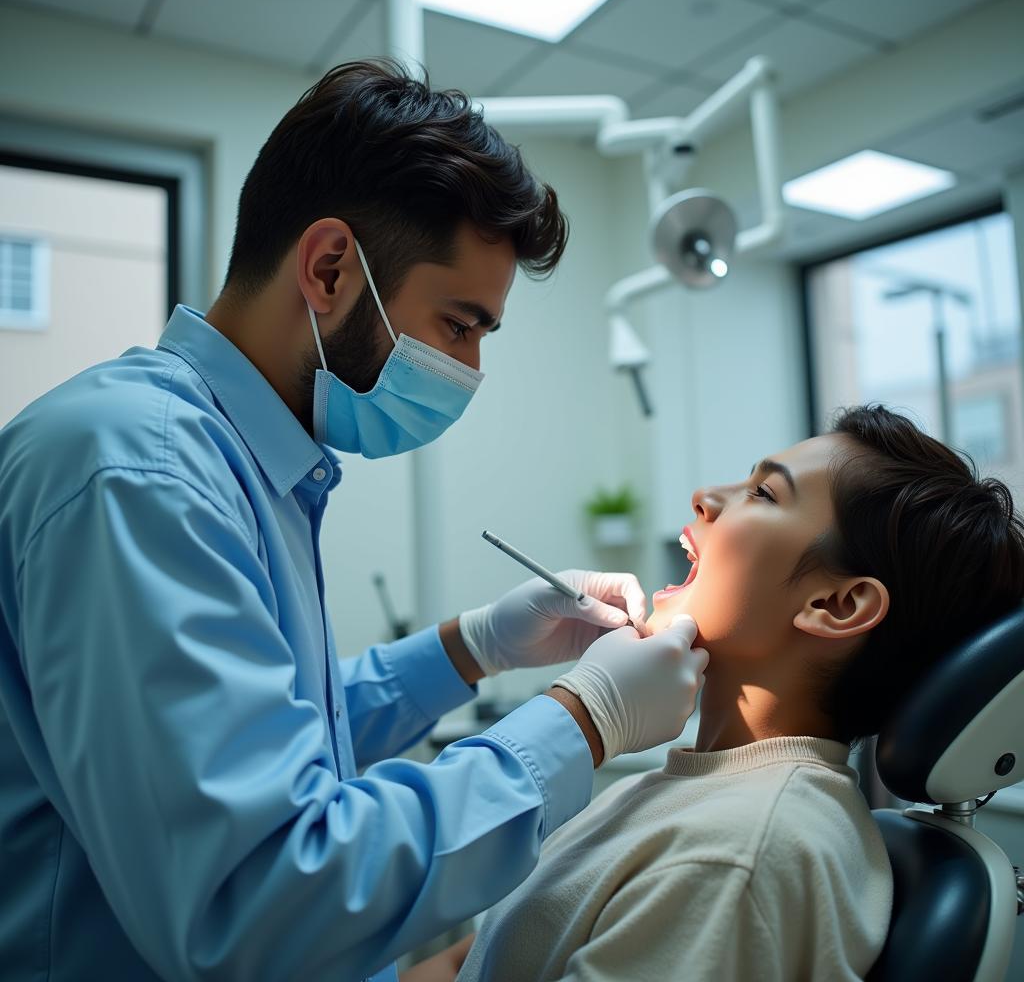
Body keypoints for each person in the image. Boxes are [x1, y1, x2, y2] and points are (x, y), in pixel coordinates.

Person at [0, 60, 708, 981]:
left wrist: (475, 646)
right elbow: (258, 900)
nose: (471, 370)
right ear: (331, 269)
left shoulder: (242, 463)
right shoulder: (140, 471)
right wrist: (584, 718)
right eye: (460, 326)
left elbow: (275, 740)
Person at [456, 404, 1024, 981]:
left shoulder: (736, 855)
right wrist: (469, 646)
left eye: (763, 494)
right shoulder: (693, 795)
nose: (705, 496)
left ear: (835, 606)